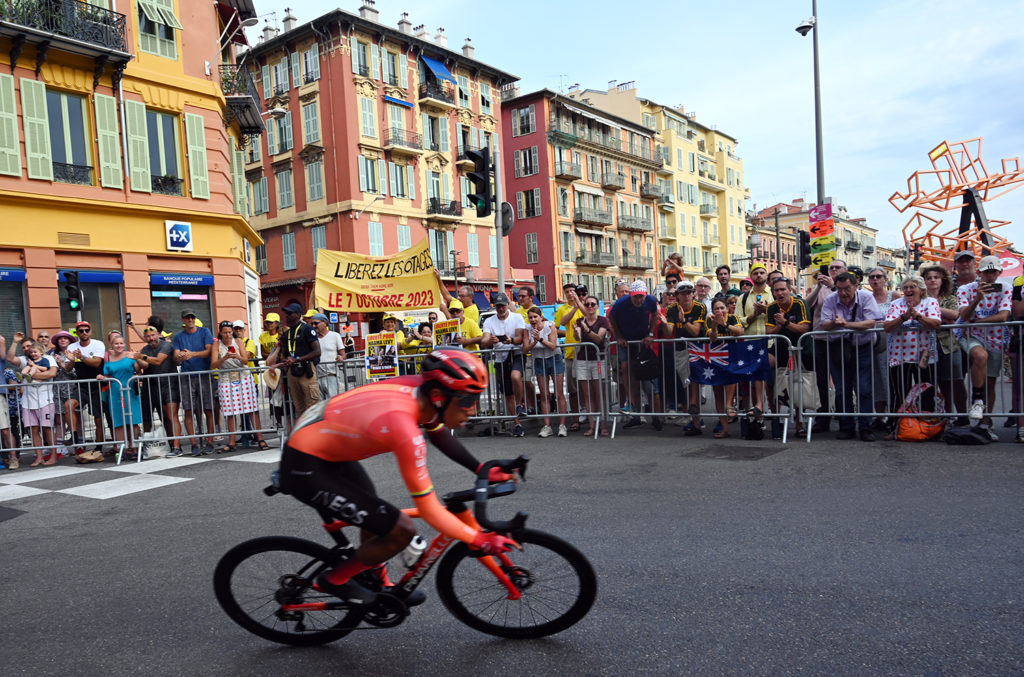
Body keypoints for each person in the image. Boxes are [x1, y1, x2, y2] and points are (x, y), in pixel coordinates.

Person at [277, 348, 517, 606]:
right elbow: (430, 509)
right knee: (400, 530)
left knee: (374, 515)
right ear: (438, 396)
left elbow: (437, 431)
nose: (472, 410)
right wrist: (479, 539)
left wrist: (480, 468)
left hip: (324, 447)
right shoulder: (403, 427)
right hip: (306, 465)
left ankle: (374, 579)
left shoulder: (421, 392)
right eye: (468, 401)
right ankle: (334, 580)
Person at [821, 272, 883, 441]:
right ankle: (846, 426)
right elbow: (824, 324)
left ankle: (866, 427)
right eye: (839, 289)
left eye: (847, 289)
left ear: (856, 286)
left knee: (864, 388)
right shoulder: (830, 300)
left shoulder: (866, 297)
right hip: (838, 348)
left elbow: (871, 322)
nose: (843, 293)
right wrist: (835, 322)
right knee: (842, 389)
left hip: (862, 347)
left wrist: (847, 324)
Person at [957, 255, 1011, 431]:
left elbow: (1003, 316)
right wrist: (978, 299)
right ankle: (977, 400)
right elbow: (964, 316)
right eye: (987, 272)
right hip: (971, 335)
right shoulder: (965, 289)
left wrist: (977, 321)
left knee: (990, 381)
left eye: (994, 271)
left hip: (995, 338)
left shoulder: (1005, 287)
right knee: (980, 356)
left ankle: (986, 422)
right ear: (979, 272)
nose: (990, 276)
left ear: (999, 272)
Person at [883, 275, 941, 433]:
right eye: (906, 287)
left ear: (921, 290)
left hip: (925, 356)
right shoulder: (896, 304)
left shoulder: (931, 302)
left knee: (927, 391)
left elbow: (935, 323)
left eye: (912, 287)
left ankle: (927, 428)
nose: (908, 290)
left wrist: (918, 316)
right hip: (899, 356)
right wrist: (904, 317)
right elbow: (887, 326)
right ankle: (895, 427)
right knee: (899, 393)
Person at [608, 280, 660, 429]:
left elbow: (656, 314)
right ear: (631, 295)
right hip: (626, 339)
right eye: (636, 296)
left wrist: (650, 333)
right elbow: (612, 318)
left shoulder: (650, 300)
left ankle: (656, 417)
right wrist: (619, 336)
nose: (639, 300)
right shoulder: (621, 303)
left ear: (645, 295)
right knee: (626, 368)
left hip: (643, 340)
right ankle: (633, 407)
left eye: (641, 296)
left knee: (648, 376)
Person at [921, 263, 968, 425]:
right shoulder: (920, 299)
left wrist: (932, 311)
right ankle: (945, 416)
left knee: (956, 381)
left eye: (936, 277)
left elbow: (955, 315)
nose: (932, 281)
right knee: (938, 382)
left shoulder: (949, 298)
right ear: (924, 282)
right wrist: (939, 317)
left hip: (949, 344)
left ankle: (963, 416)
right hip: (927, 346)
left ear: (942, 280)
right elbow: (921, 317)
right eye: (928, 278)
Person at [804, 259, 847, 433]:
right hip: (820, 339)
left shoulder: (845, 287)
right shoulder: (822, 287)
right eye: (831, 268)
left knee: (840, 380)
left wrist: (834, 287)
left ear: (844, 270)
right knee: (821, 380)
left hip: (839, 339)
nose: (834, 270)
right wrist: (820, 287)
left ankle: (843, 416)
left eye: (837, 267)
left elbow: (848, 302)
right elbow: (806, 304)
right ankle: (822, 418)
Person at [210, 321, 267, 453]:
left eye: (230, 332)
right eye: (225, 332)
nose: (228, 335)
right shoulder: (217, 345)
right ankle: (231, 442)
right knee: (230, 411)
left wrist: (238, 356)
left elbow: (246, 361)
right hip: (226, 379)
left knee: (252, 408)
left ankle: (260, 438)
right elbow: (214, 364)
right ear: (220, 332)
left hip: (243, 376)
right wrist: (224, 358)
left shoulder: (239, 341)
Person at [765, 277, 812, 434]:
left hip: (800, 347)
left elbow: (804, 328)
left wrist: (785, 323)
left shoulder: (799, 303)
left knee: (798, 382)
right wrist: (779, 326)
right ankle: (776, 417)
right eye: (776, 290)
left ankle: (800, 423)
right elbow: (768, 332)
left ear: (790, 290)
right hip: (781, 345)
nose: (780, 293)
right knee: (765, 370)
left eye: (782, 289)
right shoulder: (772, 307)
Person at [482, 292, 528, 436]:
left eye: (502, 306)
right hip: (500, 357)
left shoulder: (517, 317)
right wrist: (491, 340)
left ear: (508, 305)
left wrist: (511, 340)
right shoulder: (489, 321)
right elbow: (483, 342)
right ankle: (517, 424)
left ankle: (520, 404)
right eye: (498, 307)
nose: (500, 309)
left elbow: (520, 337)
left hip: (515, 353)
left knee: (516, 376)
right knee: (507, 393)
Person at [663, 279, 706, 434]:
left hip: (699, 348)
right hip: (681, 349)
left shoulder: (699, 307)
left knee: (694, 382)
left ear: (693, 294)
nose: (686, 296)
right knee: (686, 384)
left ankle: (696, 420)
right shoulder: (671, 309)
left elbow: (695, 331)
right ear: (678, 295)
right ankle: (694, 419)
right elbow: (669, 332)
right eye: (683, 293)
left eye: (689, 292)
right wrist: (663, 323)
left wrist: (684, 321)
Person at [172, 310, 216, 455]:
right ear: (183, 319)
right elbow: (176, 357)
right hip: (187, 376)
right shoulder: (179, 337)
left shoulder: (205, 332)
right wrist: (181, 356)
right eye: (187, 317)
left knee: (208, 409)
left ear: (195, 319)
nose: (190, 319)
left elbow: (208, 351)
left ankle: (210, 441)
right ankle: (193, 444)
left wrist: (192, 354)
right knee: (189, 410)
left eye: (192, 317)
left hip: (204, 373)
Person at [136, 325, 183, 457]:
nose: (151, 338)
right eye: (148, 336)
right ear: (145, 338)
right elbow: (145, 365)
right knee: (149, 418)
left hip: (169, 384)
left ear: (158, 334)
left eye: (153, 335)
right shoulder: (145, 349)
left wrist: (141, 356)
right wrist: (137, 358)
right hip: (153, 386)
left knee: (171, 416)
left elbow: (158, 361)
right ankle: (150, 446)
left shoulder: (166, 346)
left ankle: (177, 446)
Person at [704, 297, 745, 437]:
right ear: (713, 310)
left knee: (731, 378)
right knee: (717, 393)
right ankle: (724, 428)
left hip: (732, 358)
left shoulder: (733, 318)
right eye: (717, 308)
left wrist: (726, 324)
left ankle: (729, 405)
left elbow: (740, 332)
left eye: (722, 308)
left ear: (727, 308)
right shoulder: (709, 319)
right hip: (715, 358)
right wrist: (715, 325)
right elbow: (712, 337)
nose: (720, 311)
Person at [96, 333, 142, 458]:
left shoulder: (130, 356)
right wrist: (101, 377)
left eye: (121, 343)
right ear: (112, 345)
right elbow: (108, 376)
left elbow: (139, 371)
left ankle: (134, 447)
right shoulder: (108, 358)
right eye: (116, 343)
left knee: (133, 421)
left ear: (124, 344)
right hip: (115, 393)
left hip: (130, 391)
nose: (119, 345)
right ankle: (122, 448)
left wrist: (138, 358)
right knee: (118, 422)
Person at [524, 306, 566, 437]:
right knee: (544, 394)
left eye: (535, 317)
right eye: (530, 317)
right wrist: (534, 342)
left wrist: (540, 339)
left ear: (541, 317)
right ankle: (547, 426)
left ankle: (562, 425)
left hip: (554, 359)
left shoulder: (550, 325)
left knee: (559, 394)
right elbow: (525, 349)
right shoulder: (527, 330)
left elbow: (553, 345)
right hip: (539, 361)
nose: (533, 320)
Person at [572, 294, 612, 437]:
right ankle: (592, 426)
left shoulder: (602, 321)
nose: (589, 307)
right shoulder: (579, 320)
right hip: (583, 359)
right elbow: (578, 339)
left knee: (599, 393)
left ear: (597, 306)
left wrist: (585, 328)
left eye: (592, 304)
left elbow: (598, 338)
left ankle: (603, 425)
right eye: (587, 304)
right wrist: (576, 332)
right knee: (587, 395)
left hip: (598, 359)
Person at [275, 302, 322, 419]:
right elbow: (284, 354)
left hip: (307, 371)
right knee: (299, 407)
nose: (287, 316)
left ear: (298, 314)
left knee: (312, 406)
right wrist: (284, 361)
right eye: (286, 314)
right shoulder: (286, 334)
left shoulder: (307, 329)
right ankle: (303, 434)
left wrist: (297, 359)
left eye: (290, 313)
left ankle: (315, 433)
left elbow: (317, 351)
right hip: (292, 373)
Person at [737, 263, 772, 418]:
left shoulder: (774, 293)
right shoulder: (743, 298)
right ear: (751, 276)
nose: (759, 275)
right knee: (754, 378)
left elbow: (782, 314)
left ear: (766, 275)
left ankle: (772, 410)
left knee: (771, 381)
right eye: (756, 273)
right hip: (751, 343)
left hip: (771, 342)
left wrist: (767, 311)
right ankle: (758, 409)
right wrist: (753, 316)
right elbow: (738, 320)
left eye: (762, 272)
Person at [867, 268, 901, 426]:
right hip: (873, 343)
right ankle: (880, 416)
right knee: (876, 379)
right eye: (872, 277)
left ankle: (894, 415)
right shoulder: (867, 297)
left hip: (892, 344)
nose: (875, 280)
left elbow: (902, 313)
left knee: (890, 379)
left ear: (885, 279)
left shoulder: (893, 296)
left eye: (878, 277)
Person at [68, 321, 107, 454]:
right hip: (82, 384)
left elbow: (96, 363)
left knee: (98, 417)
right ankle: (74, 435)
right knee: (69, 405)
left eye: (86, 330)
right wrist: (72, 360)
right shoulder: (72, 346)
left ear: (90, 331)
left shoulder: (98, 344)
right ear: (77, 333)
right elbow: (69, 368)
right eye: (81, 330)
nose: (84, 333)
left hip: (97, 385)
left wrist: (82, 357)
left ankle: (99, 447)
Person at [18, 341, 58, 466]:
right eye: (30, 350)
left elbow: (51, 373)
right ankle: (39, 457)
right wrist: (14, 342)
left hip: (45, 399)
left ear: (41, 350)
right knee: (33, 429)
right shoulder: (27, 361)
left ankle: (53, 456)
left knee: (47, 428)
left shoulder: (48, 359)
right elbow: (11, 359)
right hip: (28, 401)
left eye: (34, 350)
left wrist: (34, 375)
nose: (32, 352)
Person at [555, 283, 585, 428]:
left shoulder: (588, 304)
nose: (570, 294)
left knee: (586, 387)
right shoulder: (562, 308)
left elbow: (589, 315)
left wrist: (579, 303)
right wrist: (574, 308)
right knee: (573, 389)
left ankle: (589, 415)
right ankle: (575, 419)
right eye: (567, 292)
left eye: (573, 291)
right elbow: (562, 322)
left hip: (586, 352)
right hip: (571, 353)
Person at [47, 331, 78, 457]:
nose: (63, 340)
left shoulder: (75, 353)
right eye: (60, 339)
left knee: (76, 419)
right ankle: (60, 448)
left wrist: (62, 365)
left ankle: (79, 446)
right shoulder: (51, 354)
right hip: (58, 390)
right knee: (59, 420)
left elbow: (76, 374)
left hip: (72, 389)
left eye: (66, 338)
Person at [311, 314, 345, 399]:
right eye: (312, 324)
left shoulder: (335, 336)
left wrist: (341, 357)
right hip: (316, 377)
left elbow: (343, 354)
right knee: (320, 406)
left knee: (332, 403)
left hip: (331, 376)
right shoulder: (312, 338)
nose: (313, 326)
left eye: (316, 323)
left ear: (325, 323)